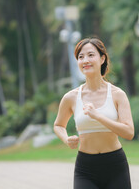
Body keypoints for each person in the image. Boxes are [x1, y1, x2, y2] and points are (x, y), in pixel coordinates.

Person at [54, 37, 134, 189]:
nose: (85, 60)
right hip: (85, 168)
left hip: (115, 166)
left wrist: (98, 116)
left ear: (102, 58)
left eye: (91, 55)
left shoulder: (117, 94)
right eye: (80, 57)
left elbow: (129, 132)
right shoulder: (71, 97)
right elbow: (58, 125)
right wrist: (65, 139)